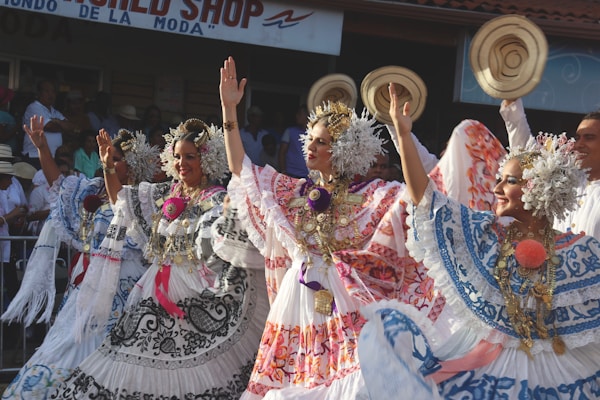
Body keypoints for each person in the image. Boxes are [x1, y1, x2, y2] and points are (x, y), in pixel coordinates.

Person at [220, 56, 476, 399]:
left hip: (347, 299)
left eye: (322, 141)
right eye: (310, 138)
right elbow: (242, 169)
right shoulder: (294, 193)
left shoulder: (374, 196)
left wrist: (403, 136)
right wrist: (228, 111)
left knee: (352, 385)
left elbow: (422, 196)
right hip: (297, 301)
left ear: (344, 150)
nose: (310, 145)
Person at [357, 87, 600, 399]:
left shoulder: (582, 252)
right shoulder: (488, 235)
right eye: (500, 178)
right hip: (490, 373)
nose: (496, 188)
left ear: (539, 189)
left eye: (509, 181)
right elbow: (428, 201)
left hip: (560, 374)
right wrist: (403, 136)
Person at [52, 118, 269, 398]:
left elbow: (226, 248)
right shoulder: (165, 193)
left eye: (190, 157)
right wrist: (108, 165)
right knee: (128, 354)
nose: (182, 163)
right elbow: (120, 199)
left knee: (182, 370)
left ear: (208, 160)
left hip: (193, 294)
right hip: (155, 289)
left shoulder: (216, 199)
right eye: (177, 156)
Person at [1, 118, 160, 399]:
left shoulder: (141, 199)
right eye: (108, 156)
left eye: (117, 158)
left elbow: (123, 209)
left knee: (103, 352)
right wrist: (42, 150)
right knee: (64, 344)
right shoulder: (95, 188)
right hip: (87, 283)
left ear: (133, 167)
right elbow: (60, 186)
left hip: (121, 287)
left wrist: (108, 167)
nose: (108, 160)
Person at [500, 98, 600, 238]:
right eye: (578, 137)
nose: (578, 144)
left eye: (589, 137)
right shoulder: (563, 180)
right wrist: (512, 100)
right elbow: (526, 155)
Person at [21, 80, 76, 168]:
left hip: (53, 157)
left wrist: (57, 121)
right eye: (46, 91)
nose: (50, 94)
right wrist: (61, 125)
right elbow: (50, 127)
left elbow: (70, 127)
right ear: (39, 93)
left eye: (53, 91)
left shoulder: (54, 111)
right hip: (35, 156)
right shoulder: (34, 107)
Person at [278, 104, 309, 178]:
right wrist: (283, 171)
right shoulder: (289, 131)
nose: (296, 116)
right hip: (291, 175)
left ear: (307, 115)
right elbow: (282, 152)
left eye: (299, 114)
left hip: (309, 176)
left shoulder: (315, 133)